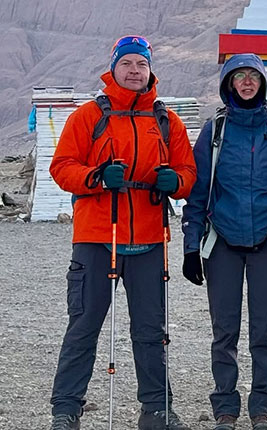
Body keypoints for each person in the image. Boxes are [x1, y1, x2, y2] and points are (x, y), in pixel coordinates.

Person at [48, 35, 196, 430]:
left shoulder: (167, 120)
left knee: (151, 331)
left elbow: (189, 174)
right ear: (113, 68)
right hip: (97, 237)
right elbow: (61, 166)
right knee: (83, 326)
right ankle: (65, 410)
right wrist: (96, 177)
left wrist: (173, 182)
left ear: (151, 71)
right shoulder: (88, 116)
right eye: (127, 63)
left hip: (149, 239)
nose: (134, 71)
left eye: (141, 65)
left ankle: (157, 409)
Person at [181, 53, 267, 430]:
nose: (247, 82)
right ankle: (225, 406)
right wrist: (192, 246)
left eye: (253, 76)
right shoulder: (214, 131)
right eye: (240, 76)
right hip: (221, 243)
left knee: (263, 330)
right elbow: (199, 192)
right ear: (228, 83)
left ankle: (263, 406)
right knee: (224, 329)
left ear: (263, 82)